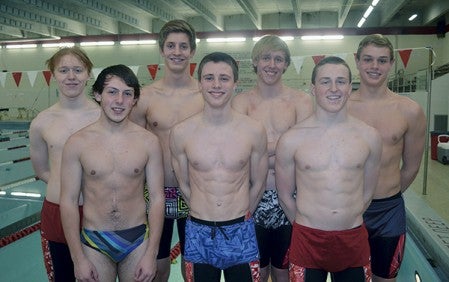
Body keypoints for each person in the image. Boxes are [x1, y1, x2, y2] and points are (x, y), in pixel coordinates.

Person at [276, 56, 383, 282]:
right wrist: (308, 224)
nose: (333, 89)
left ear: (350, 87)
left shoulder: (369, 136)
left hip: (352, 239)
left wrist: (346, 218)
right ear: (313, 88)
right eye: (325, 82)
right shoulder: (291, 139)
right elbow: (285, 195)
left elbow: (368, 192)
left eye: (341, 81)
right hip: (307, 240)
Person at [60, 64, 165, 281]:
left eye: (128, 94)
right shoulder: (77, 143)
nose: (120, 101)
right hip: (94, 240)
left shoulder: (148, 142)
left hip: (137, 239)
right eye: (112, 92)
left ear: (135, 100)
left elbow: (156, 198)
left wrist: (152, 253)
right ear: (98, 94)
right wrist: (78, 259)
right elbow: (69, 201)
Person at [170, 52, 269, 281]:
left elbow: (258, 183)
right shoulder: (181, 132)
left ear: (235, 83)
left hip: (240, 231)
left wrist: (239, 216)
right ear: (199, 83)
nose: (216, 85)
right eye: (209, 78)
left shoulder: (253, 130)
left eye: (224, 78)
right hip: (198, 231)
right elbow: (184, 183)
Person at [232, 34, 313, 282]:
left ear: (287, 64)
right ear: (255, 61)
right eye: (266, 58)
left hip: (292, 200)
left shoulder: (301, 100)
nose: (272, 64)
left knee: (286, 273)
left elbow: (305, 149)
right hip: (252, 200)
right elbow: (239, 151)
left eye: (279, 59)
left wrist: (260, 149)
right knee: (256, 274)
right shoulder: (241, 101)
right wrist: (285, 145)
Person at [348, 34, 426, 282]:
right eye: (368, 59)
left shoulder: (409, 110)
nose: (374, 66)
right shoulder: (340, 106)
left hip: (388, 211)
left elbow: (412, 166)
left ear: (392, 63)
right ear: (357, 61)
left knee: (385, 279)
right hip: (347, 208)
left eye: (382, 61)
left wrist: (389, 192)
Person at [129, 19, 203, 281]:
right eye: (171, 45)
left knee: (192, 265)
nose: (177, 51)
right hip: (154, 191)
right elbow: (133, 146)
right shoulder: (146, 96)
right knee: (155, 265)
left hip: (195, 190)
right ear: (161, 50)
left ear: (192, 51)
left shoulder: (205, 95)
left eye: (184, 46)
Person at [29, 46, 101, 281]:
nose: (71, 76)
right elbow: (41, 170)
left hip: (96, 211)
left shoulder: (103, 116)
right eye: (64, 70)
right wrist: (66, 184)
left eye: (78, 70)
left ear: (88, 74)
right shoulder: (41, 122)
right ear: (53, 75)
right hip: (56, 210)